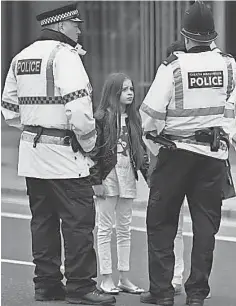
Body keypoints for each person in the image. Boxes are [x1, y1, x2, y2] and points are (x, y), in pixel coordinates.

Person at [1, 3, 116, 305]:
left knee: (43, 222)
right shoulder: (65, 57)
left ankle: (47, 285)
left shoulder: (21, 57)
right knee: (78, 223)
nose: (79, 29)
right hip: (66, 159)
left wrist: (36, 127)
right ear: (61, 25)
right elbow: (79, 113)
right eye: (75, 24)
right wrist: (91, 147)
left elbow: (9, 111)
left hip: (32, 156)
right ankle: (80, 287)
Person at [139, 2, 236, 306]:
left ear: (186, 37)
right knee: (206, 227)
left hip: (176, 154)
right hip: (213, 156)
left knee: (162, 222)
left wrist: (154, 144)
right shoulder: (229, 65)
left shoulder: (174, 67)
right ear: (211, 36)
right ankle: (196, 294)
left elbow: (151, 116)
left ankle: (162, 293)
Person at [89, 72, 149, 295]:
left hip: (127, 176)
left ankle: (124, 276)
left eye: (131, 89)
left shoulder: (134, 118)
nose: (130, 93)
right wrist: (95, 180)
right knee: (105, 229)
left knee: (125, 229)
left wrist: (150, 176)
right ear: (114, 91)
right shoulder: (102, 117)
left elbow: (139, 150)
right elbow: (94, 151)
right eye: (125, 89)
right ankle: (106, 277)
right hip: (108, 176)